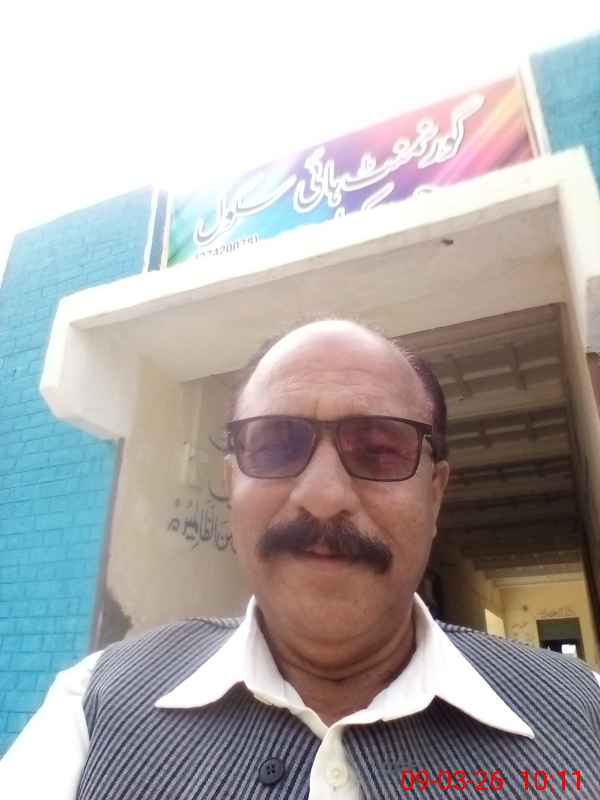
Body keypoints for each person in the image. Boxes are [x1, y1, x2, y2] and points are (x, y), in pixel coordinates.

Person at [1, 318, 600, 799]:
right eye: (276, 445)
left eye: (379, 450)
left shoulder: (583, 714)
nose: (323, 495)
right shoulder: (95, 705)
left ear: (435, 493)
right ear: (231, 485)